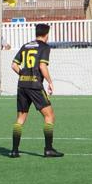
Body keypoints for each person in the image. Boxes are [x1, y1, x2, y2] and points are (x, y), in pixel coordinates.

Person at [10, 23, 62, 158]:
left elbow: (14, 65)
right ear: (46, 34)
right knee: (49, 116)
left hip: (22, 85)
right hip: (35, 86)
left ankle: (14, 150)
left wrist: (23, 74)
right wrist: (50, 82)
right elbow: (42, 66)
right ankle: (48, 149)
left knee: (20, 118)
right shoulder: (44, 47)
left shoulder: (26, 45)